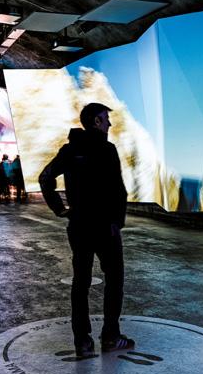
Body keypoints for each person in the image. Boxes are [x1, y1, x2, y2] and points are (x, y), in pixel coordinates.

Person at [39, 102, 133, 356]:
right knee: (114, 281)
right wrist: (117, 222)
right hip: (105, 228)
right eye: (105, 118)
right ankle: (110, 336)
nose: (109, 123)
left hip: (79, 225)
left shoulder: (69, 150)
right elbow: (118, 190)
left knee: (81, 283)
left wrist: (60, 209)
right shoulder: (107, 149)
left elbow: (45, 177)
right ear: (96, 122)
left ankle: (82, 341)